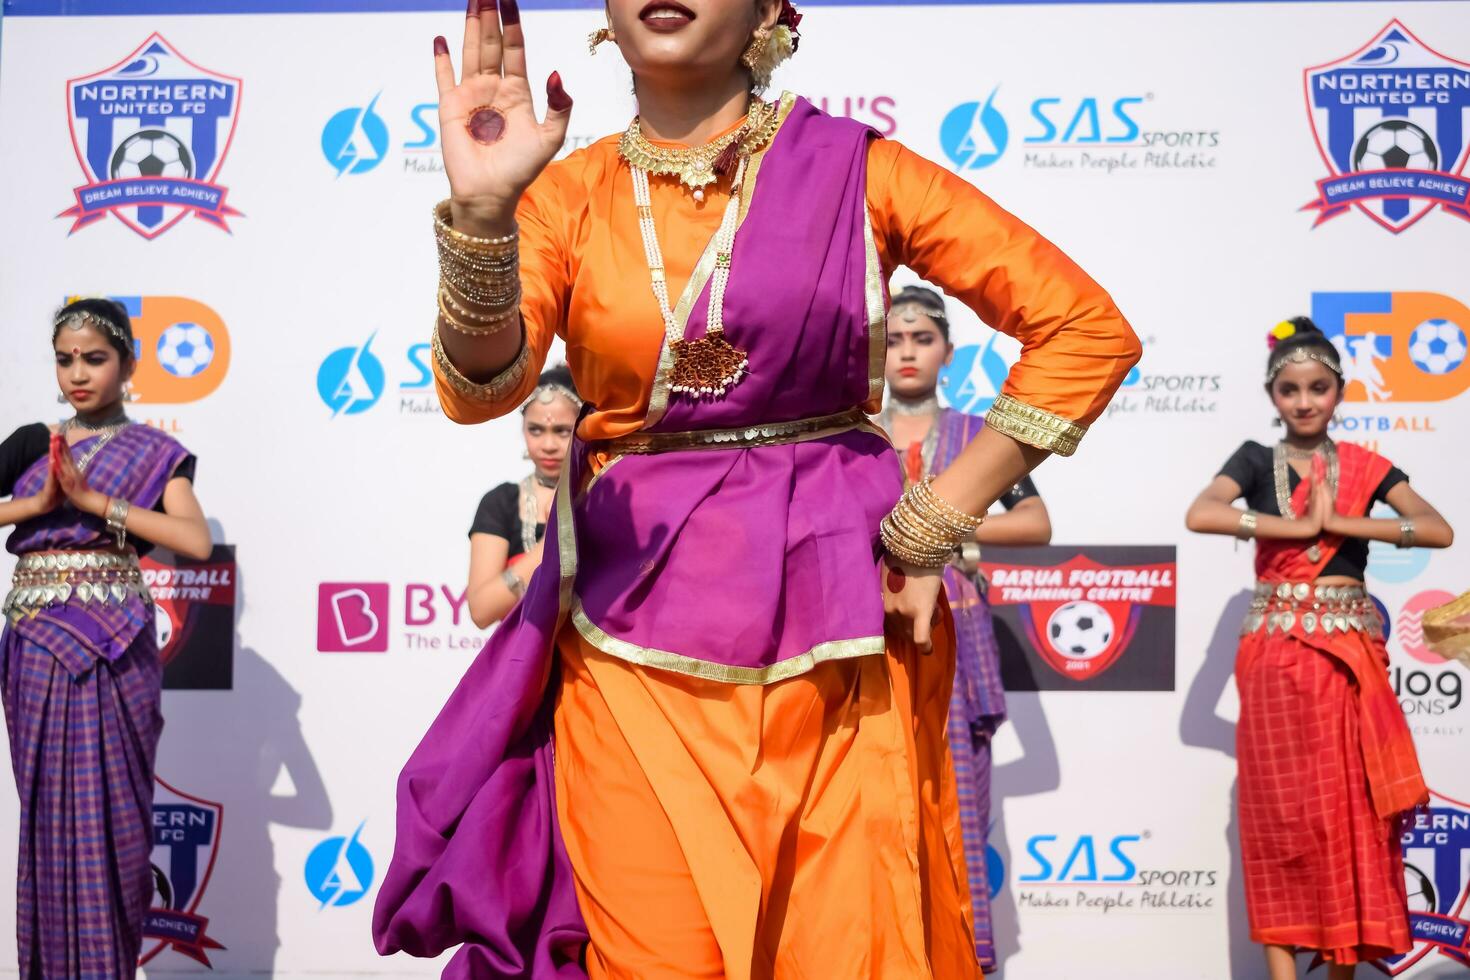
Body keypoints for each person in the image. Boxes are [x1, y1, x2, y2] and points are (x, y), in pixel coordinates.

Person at [373, 0, 1140, 975]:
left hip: (840, 633)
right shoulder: (570, 194)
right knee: (655, 956)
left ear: (772, 9)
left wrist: (933, 519)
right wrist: (483, 218)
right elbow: (482, 385)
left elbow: (1084, 329)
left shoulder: (856, 171)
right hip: (628, 635)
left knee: (839, 950)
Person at [1184, 317, 1453, 979]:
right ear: (1273, 395)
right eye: (1290, 389)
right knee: (1277, 816)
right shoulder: (1252, 458)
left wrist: (1339, 523)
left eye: (1318, 388)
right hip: (1274, 655)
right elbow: (1202, 512)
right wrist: (1291, 524)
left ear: (1340, 391)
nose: (1304, 401)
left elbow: (1436, 528)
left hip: (1346, 657)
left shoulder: (1366, 466)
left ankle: (1340, 972)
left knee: (1350, 815)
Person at [0, 298, 211, 978]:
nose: (78, 374)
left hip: (115, 644)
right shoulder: (33, 444)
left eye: (95, 359)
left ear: (128, 366)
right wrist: (34, 507)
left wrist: (94, 504)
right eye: (66, 360)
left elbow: (195, 542)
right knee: (47, 821)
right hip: (36, 646)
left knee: (115, 828)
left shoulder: (156, 454)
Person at [875, 284, 1051, 971]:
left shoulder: (979, 434)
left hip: (957, 631)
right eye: (894, 340)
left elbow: (1036, 523)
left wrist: (947, 539)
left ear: (948, 350)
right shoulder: (855, 436)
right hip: (870, 631)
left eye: (922, 340)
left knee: (955, 808)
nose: (908, 353)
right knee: (876, 806)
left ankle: (958, 958)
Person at [465, 365, 580, 628]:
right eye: (536, 430)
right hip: (522, 659)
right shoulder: (501, 502)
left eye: (562, 431)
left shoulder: (600, 498)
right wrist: (554, 539)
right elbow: (481, 611)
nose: (548, 445)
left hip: (592, 661)